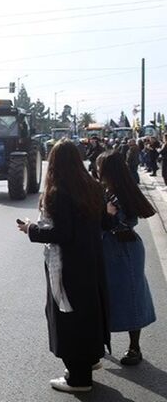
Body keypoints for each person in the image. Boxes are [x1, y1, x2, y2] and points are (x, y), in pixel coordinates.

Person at [17, 139, 109, 393]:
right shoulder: (92, 186)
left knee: (67, 317)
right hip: (90, 261)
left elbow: (61, 234)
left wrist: (30, 229)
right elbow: (99, 223)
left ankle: (79, 379)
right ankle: (88, 361)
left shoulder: (59, 192)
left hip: (67, 267)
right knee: (87, 312)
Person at [96, 150, 156, 366]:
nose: (97, 170)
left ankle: (134, 348)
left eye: (99, 166)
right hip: (113, 246)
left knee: (130, 294)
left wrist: (107, 216)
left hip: (123, 247)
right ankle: (103, 343)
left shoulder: (118, 193)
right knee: (106, 296)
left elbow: (121, 222)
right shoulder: (108, 190)